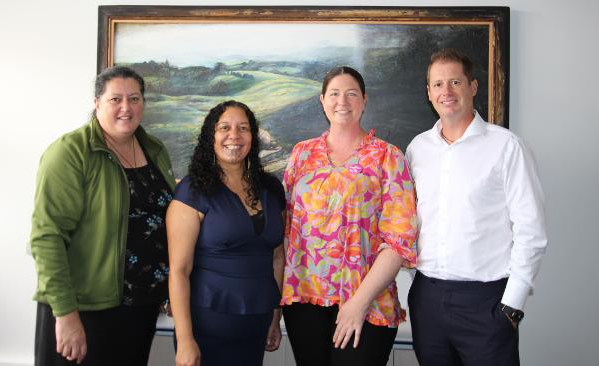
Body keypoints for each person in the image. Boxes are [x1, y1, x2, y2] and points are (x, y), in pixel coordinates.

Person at [405, 48, 548, 366]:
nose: (447, 91)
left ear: (472, 86)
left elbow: (531, 230)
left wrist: (512, 305)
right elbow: (410, 219)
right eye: (438, 84)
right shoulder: (417, 150)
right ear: (428, 92)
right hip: (427, 298)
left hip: (487, 303)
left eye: (455, 81)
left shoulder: (507, 147)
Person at [30, 66, 176, 365]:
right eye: (115, 99)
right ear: (97, 103)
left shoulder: (154, 149)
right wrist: (66, 315)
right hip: (84, 309)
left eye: (134, 98)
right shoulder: (71, 152)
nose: (126, 107)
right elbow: (47, 238)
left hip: (138, 310)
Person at [280, 66, 418, 366]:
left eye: (351, 93)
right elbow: (286, 230)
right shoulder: (301, 155)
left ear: (364, 100)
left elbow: (399, 241)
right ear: (322, 100)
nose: (342, 101)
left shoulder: (387, 157)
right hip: (305, 302)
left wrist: (357, 304)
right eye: (334, 94)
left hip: (368, 305)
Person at [167, 100, 285, 366]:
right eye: (225, 128)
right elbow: (178, 271)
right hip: (205, 329)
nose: (234, 135)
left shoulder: (271, 189)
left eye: (243, 128)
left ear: (253, 138)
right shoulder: (192, 191)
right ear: (212, 136)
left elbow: (278, 257)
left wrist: (275, 318)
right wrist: (185, 339)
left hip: (256, 326)